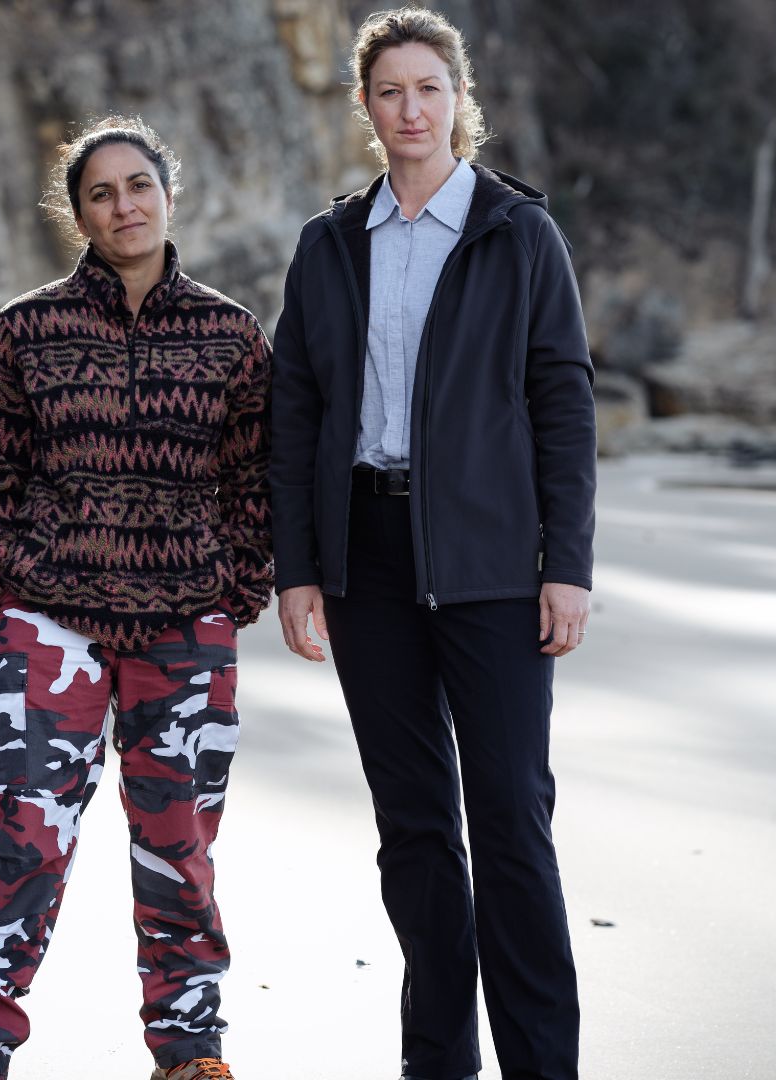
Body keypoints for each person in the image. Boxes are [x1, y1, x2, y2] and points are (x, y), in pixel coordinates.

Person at [270, 9, 595, 1080]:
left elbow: (561, 402)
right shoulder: (328, 245)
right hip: (365, 557)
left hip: (494, 562)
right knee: (412, 828)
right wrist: (298, 568)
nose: (411, 109)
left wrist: (567, 565)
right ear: (365, 109)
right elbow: (298, 412)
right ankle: (437, 1064)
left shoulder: (517, 234)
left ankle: (542, 1066)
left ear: (460, 100)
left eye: (429, 88)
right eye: (389, 91)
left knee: (509, 824)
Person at [0, 115, 271, 1080]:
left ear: (170, 192)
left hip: (185, 629)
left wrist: (235, 590)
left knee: (180, 847)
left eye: (139, 186)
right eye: (101, 193)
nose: (124, 205)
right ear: (77, 213)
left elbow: (255, 482)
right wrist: (4, 585)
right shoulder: (27, 328)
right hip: (52, 625)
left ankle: (189, 1047)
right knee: (23, 836)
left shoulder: (231, 334)